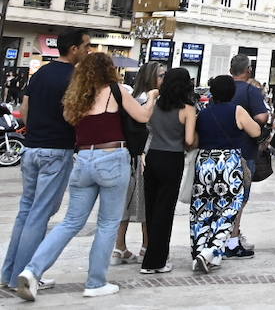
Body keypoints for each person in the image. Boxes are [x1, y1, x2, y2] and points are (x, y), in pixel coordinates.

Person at [15, 51, 156, 300]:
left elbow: (71, 122)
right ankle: (95, 282)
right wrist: (153, 98)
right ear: (108, 70)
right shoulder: (116, 91)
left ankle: (32, 270)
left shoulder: (76, 98)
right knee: (107, 224)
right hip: (112, 157)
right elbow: (143, 117)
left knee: (70, 222)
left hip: (83, 161)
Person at [3, 29, 90, 292]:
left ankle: (8, 273)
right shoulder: (75, 77)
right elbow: (71, 115)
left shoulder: (40, 72)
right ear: (73, 49)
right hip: (57, 149)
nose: (88, 51)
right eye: (86, 46)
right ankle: (26, 273)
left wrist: (37, 132)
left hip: (31, 149)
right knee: (40, 214)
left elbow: (25, 111)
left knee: (26, 211)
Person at [188, 75, 260, 274]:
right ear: (231, 92)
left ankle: (199, 251)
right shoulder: (237, 110)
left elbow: (194, 141)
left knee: (202, 209)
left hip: (204, 162)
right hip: (228, 163)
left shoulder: (203, 113)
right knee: (228, 209)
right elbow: (255, 131)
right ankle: (211, 250)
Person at [140, 68, 197, 275]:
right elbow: (190, 141)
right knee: (165, 211)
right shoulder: (188, 108)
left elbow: (144, 122)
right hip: (172, 159)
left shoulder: (155, 104)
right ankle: (157, 260)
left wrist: (153, 94)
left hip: (153, 156)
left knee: (152, 208)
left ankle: (148, 256)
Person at [114, 61, 164, 264]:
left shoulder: (131, 97)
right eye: (160, 75)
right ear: (150, 77)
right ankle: (146, 245)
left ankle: (120, 247)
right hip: (145, 154)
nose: (164, 79)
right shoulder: (148, 100)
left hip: (130, 154)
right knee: (147, 202)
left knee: (126, 203)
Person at [223, 54, 269, 260]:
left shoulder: (222, 88)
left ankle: (223, 235)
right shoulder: (251, 91)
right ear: (248, 70)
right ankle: (232, 239)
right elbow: (262, 116)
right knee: (240, 196)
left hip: (219, 150)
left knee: (223, 195)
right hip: (244, 149)